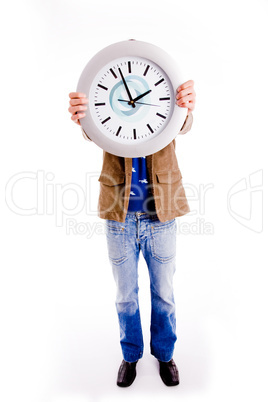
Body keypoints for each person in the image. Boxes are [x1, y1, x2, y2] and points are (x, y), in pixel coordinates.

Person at [68, 76, 196, 387]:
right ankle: (131, 354)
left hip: (160, 214)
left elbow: (185, 124)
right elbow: (91, 131)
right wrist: (82, 118)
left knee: (164, 294)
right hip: (119, 214)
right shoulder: (111, 111)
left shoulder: (165, 107)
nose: (134, 101)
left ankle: (165, 355)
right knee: (125, 296)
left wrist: (186, 108)